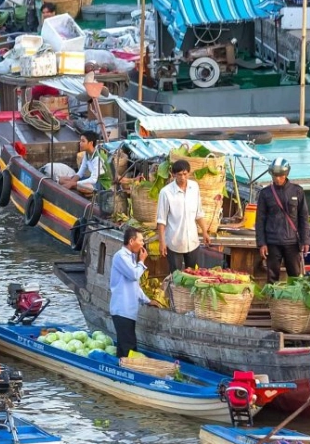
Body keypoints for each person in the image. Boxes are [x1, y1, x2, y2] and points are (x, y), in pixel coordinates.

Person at [255, 159, 310, 282]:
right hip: (272, 242)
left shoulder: (297, 191)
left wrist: (306, 241)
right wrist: (262, 243)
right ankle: (271, 301)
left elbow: (303, 217)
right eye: (275, 176)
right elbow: (260, 220)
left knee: (295, 277)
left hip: (292, 243)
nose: (277, 179)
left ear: (286, 175)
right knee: (272, 278)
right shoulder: (265, 193)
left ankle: (294, 301)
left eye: (280, 176)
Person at [156, 158, 207, 273]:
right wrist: (162, 242)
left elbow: (199, 213)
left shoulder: (194, 187)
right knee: (176, 277)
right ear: (173, 175)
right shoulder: (166, 192)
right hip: (174, 242)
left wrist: (204, 231)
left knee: (193, 275)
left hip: (192, 241)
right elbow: (161, 220)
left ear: (188, 173)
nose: (183, 177)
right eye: (179, 175)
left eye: (185, 174)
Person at [109, 227, 150, 359]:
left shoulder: (131, 258)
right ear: (131, 241)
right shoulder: (120, 256)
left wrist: (148, 300)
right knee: (129, 346)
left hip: (129, 311)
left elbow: (135, 287)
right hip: (122, 309)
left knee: (124, 346)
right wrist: (142, 261)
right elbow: (134, 275)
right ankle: (126, 373)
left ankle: (120, 369)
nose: (143, 244)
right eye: (141, 240)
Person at [54, 129, 102, 195]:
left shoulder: (97, 158)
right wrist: (71, 182)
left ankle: (76, 188)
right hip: (90, 180)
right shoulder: (87, 154)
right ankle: (74, 186)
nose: (80, 143)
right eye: (80, 141)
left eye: (83, 141)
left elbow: (93, 180)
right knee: (61, 180)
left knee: (86, 187)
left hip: (99, 184)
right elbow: (80, 172)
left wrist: (73, 184)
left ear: (91, 143)